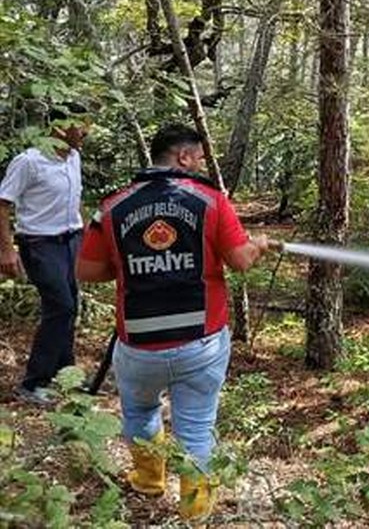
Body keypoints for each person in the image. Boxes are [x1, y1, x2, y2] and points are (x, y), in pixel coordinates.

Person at [76, 124, 272, 521]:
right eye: (198, 157)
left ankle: (148, 481)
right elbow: (240, 261)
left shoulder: (112, 206)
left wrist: (134, 266)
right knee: (196, 429)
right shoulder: (212, 201)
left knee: (139, 412)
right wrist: (260, 246)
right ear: (183, 157)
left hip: (138, 344)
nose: (201, 164)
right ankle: (194, 512)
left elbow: (87, 269)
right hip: (200, 342)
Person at [0, 105, 91, 406]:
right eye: (80, 125)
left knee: (70, 305)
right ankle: (33, 382)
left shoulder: (74, 157)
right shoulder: (30, 161)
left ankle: (66, 376)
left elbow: (72, 201)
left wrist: (87, 234)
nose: (86, 131)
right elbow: (3, 204)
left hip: (71, 241)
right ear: (59, 127)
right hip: (39, 243)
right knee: (60, 306)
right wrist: (6, 249)